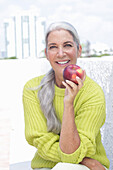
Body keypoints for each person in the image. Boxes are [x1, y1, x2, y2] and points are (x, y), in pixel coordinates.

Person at [23, 21, 110, 170]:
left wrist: (68, 103)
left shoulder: (92, 92)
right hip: (50, 167)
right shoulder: (32, 89)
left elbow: (71, 153)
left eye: (68, 45)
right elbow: (43, 142)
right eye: (53, 47)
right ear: (46, 54)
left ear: (79, 50)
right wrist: (86, 161)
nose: (61, 53)